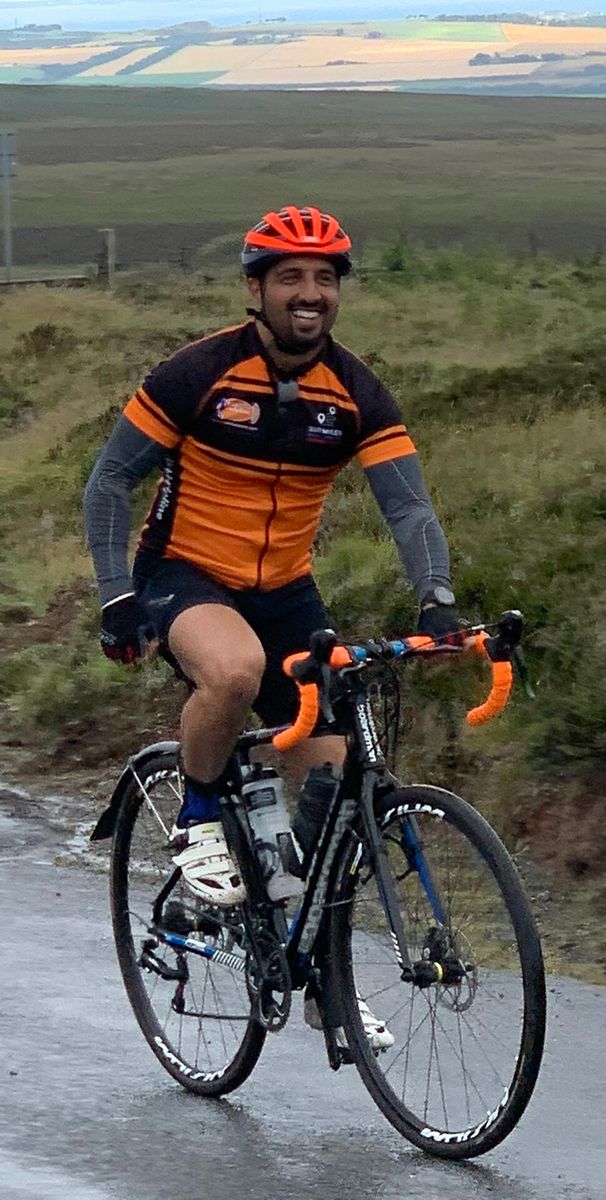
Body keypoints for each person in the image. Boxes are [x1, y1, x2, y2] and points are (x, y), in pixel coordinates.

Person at [83, 204, 462, 1048]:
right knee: (235, 671)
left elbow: (408, 507)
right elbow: (108, 484)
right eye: (291, 277)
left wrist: (436, 599)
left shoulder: (356, 392)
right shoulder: (198, 373)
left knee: (337, 776)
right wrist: (115, 597)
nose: (310, 293)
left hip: (287, 590)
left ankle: (317, 965)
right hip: (183, 574)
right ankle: (198, 825)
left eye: (325, 278)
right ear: (256, 289)